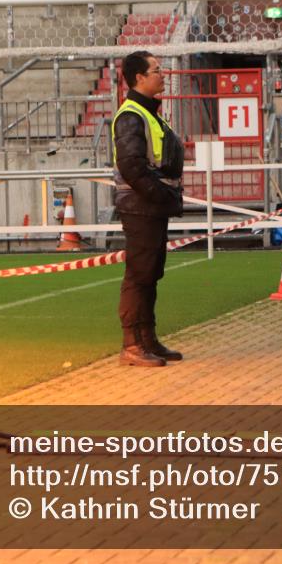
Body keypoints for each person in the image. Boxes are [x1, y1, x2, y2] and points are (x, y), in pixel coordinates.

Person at [112, 51, 185, 367]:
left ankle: (147, 340)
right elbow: (131, 166)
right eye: (157, 70)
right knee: (139, 275)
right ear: (139, 78)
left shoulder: (147, 113)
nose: (163, 74)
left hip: (150, 206)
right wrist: (160, 195)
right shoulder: (131, 116)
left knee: (150, 273)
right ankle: (132, 345)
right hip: (141, 207)